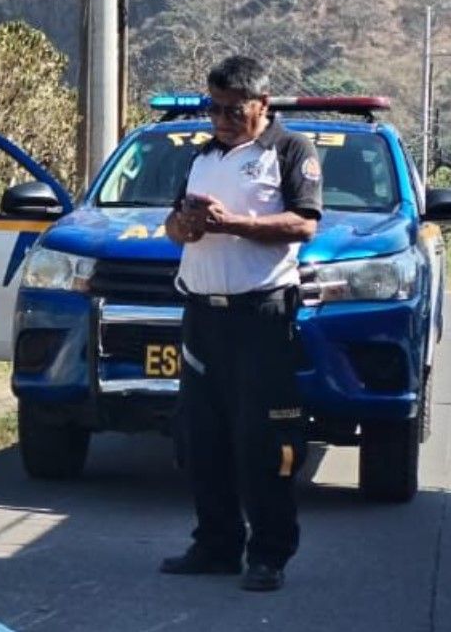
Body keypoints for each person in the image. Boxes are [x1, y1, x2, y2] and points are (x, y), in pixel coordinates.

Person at [160, 56, 322, 592]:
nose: (222, 118)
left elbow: (304, 223)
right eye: (214, 107)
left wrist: (237, 225)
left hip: (262, 317)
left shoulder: (289, 151)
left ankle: (269, 554)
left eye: (234, 109)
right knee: (201, 437)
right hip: (203, 316)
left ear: (262, 105)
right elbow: (171, 228)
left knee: (263, 441)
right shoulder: (202, 157)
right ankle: (215, 545)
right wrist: (184, 225)